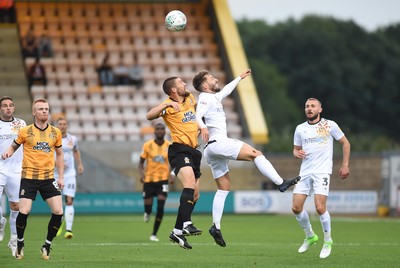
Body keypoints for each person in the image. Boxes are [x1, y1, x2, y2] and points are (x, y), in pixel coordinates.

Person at [193, 69, 301, 247]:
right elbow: (198, 114)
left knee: (224, 188)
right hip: (218, 142)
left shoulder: (215, 97)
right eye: (211, 78)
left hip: (211, 149)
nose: (215, 78)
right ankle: (280, 182)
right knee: (256, 154)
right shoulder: (205, 97)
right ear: (205, 85)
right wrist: (203, 127)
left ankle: (216, 226)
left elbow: (226, 90)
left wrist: (239, 78)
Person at [1, 98, 64, 260]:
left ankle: (46, 245)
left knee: (58, 212)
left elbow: (60, 154)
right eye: (41, 109)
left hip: (48, 178)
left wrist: (61, 176)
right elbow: (14, 145)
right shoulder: (25, 131)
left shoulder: (55, 132)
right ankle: (20, 242)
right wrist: (9, 152)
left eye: (46, 109)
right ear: (34, 112)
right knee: (24, 211)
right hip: (28, 178)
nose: (44, 111)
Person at [146, 76, 202, 250]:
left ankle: (177, 231)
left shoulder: (190, 98)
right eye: (181, 83)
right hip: (179, 150)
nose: (185, 84)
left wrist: (200, 129)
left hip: (194, 151)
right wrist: (166, 105)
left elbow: (195, 116)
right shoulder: (168, 106)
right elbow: (149, 116)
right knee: (190, 185)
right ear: (173, 90)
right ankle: (186, 223)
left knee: (195, 195)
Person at [292, 98, 350, 259]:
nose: (309, 109)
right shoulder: (300, 129)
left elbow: (346, 144)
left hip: (322, 171)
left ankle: (328, 240)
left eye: (312, 106)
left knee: (319, 207)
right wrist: (297, 153)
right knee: (296, 208)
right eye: (307, 106)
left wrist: (345, 165)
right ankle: (310, 236)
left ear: (320, 109)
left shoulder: (329, 125)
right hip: (305, 172)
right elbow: (295, 150)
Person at [0, 96, 26, 257]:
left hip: (16, 170)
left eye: (10, 105)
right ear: (0, 109)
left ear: (14, 108)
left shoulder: (21, 124)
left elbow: (27, 143)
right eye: (4, 106)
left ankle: (14, 241)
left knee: (16, 207)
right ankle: (0, 221)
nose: (8, 108)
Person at [138, 122, 173, 242]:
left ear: (164, 131)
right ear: (154, 131)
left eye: (161, 129)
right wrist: (142, 174)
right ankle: (147, 213)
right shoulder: (147, 145)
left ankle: (154, 234)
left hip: (163, 180)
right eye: (157, 129)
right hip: (149, 180)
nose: (159, 131)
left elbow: (173, 163)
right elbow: (141, 163)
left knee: (161, 206)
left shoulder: (169, 145)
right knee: (148, 208)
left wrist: (172, 175)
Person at [54, 117, 84, 239]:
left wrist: (80, 164)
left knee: (69, 201)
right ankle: (57, 223)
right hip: (55, 174)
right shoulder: (53, 138)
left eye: (64, 124)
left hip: (70, 173)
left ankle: (69, 230)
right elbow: (49, 154)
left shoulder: (73, 139)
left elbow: (76, 151)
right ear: (57, 126)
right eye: (60, 124)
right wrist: (58, 163)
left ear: (67, 126)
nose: (62, 126)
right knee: (57, 204)